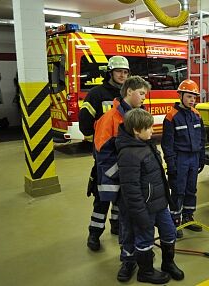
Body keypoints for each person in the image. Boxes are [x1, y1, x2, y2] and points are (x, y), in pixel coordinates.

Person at [116, 108, 184, 284]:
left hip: (160, 204)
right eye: (149, 128)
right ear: (137, 130)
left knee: (170, 233)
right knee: (144, 240)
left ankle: (168, 263)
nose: (153, 130)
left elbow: (158, 176)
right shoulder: (129, 153)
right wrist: (141, 215)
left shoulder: (148, 144)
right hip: (144, 208)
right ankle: (145, 272)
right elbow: (130, 190)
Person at [93, 76, 151, 281]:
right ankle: (128, 261)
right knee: (125, 223)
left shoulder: (140, 116)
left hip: (137, 182)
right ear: (129, 92)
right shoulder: (110, 119)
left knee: (131, 220)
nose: (145, 98)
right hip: (122, 181)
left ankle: (138, 255)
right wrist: (124, 175)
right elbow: (103, 156)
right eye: (142, 93)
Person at [79, 56, 130, 251]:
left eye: (125, 72)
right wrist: (99, 140)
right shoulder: (96, 94)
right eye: (119, 72)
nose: (122, 75)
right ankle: (94, 233)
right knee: (102, 197)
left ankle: (116, 225)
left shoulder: (129, 94)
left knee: (122, 195)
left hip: (125, 156)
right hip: (106, 157)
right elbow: (85, 124)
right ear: (110, 72)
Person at [161, 79, 206, 238]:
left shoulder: (196, 114)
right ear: (180, 95)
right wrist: (171, 164)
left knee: (191, 189)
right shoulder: (171, 116)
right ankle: (175, 220)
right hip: (180, 159)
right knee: (178, 191)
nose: (192, 100)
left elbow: (202, 138)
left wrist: (202, 157)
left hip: (194, 158)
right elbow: (167, 144)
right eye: (189, 96)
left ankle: (188, 216)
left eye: (194, 97)